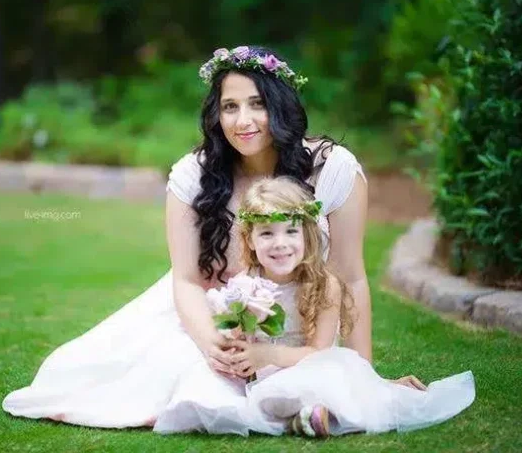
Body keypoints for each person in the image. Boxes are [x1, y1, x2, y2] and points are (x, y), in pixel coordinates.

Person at [1, 45, 421, 430]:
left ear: (280, 107)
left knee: (311, 378)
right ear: (216, 115)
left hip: (299, 325)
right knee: (171, 378)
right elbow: (184, 279)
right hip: (204, 314)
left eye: (257, 104)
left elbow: (349, 274)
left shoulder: (332, 169)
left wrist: (365, 379)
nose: (243, 121)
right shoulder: (193, 175)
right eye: (230, 107)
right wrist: (212, 343)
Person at [157, 176, 473, 436]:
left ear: (307, 235)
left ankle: (309, 414)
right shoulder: (244, 285)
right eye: (267, 233)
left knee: (313, 384)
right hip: (259, 375)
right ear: (250, 239)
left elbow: (318, 352)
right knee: (205, 382)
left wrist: (267, 355)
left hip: (305, 366)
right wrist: (237, 351)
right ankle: (302, 418)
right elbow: (239, 336)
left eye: (291, 231)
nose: (280, 243)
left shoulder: (323, 286)